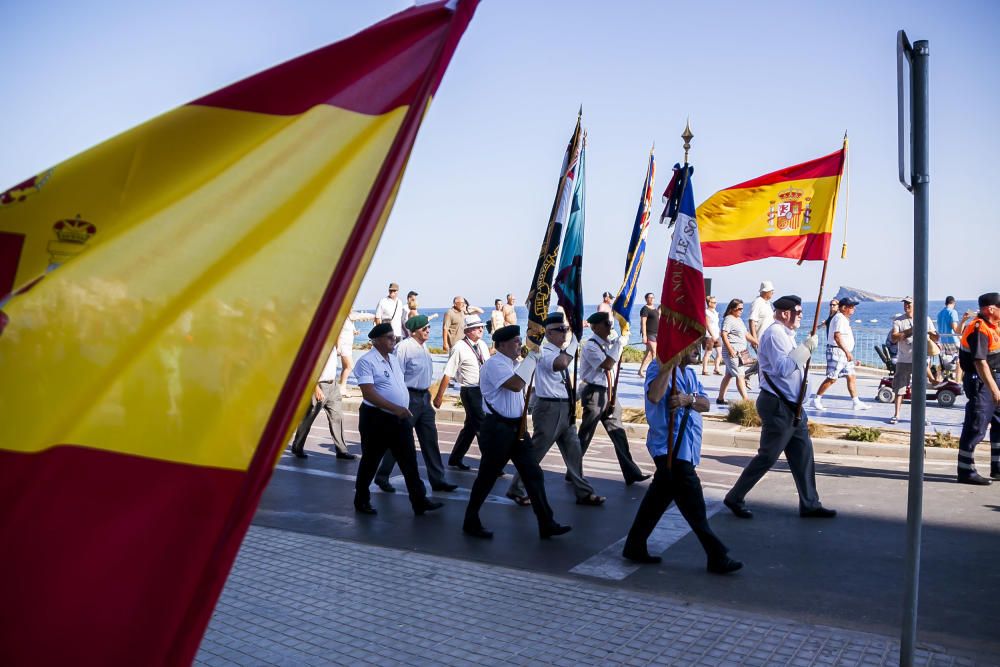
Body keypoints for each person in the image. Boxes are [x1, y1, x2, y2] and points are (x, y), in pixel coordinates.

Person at [622, 350, 743, 575]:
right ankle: (716, 555)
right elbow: (655, 397)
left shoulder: (690, 374)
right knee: (694, 503)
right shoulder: (658, 368)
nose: (698, 348)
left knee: (658, 499)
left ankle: (634, 545)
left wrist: (689, 399)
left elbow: (706, 404)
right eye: (692, 344)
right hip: (669, 449)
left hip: (686, 448)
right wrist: (669, 365)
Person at [723, 295, 836, 519]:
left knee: (803, 456)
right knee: (768, 456)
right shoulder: (775, 334)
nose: (801, 316)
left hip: (792, 406)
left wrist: (803, 347)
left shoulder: (785, 334)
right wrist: (806, 348)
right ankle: (735, 497)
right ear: (785, 313)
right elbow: (784, 368)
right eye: (799, 312)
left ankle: (810, 503)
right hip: (778, 405)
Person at [461, 325, 571, 539]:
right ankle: (470, 520)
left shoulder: (514, 363)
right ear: (501, 345)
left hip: (517, 428)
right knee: (487, 477)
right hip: (497, 428)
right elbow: (516, 385)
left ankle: (546, 522)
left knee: (533, 475)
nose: (519, 344)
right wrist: (532, 358)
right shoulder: (494, 365)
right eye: (515, 341)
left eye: (520, 341)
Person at [506, 313, 605, 506]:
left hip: (564, 406)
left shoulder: (559, 351)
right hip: (549, 408)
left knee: (574, 450)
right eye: (560, 330)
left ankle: (583, 492)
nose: (564, 333)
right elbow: (560, 365)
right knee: (536, 451)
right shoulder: (543, 351)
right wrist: (575, 342)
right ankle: (516, 488)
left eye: (566, 329)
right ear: (548, 333)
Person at [352, 323, 443, 516]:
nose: (394, 341)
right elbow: (368, 393)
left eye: (394, 337)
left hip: (398, 418)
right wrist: (396, 408)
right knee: (370, 460)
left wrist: (402, 407)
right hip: (376, 419)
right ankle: (361, 500)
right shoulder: (366, 361)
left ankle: (419, 500)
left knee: (409, 460)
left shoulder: (393, 359)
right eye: (389, 338)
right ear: (376, 341)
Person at [374, 315, 457, 494]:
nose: (428, 331)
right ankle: (382, 475)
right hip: (409, 397)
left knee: (430, 440)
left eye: (428, 328)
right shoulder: (404, 348)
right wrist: (399, 402)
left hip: (424, 397)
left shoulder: (423, 346)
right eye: (425, 329)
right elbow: (397, 375)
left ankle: (438, 480)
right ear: (414, 331)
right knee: (400, 440)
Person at [577, 312, 651, 485]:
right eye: (606, 324)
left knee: (619, 434)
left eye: (610, 323)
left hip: (609, 392)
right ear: (595, 327)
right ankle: (573, 470)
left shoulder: (607, 344)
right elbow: (606, 365)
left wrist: (619, 341)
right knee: (585, 435)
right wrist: (619, 344)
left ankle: (631, 472)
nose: (610, 326)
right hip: (595, 392)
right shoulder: (590, 346)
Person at [435, 315, 491, 471]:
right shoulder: (459, 347)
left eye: (482, 326)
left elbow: (487, 365)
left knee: (470, 428)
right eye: (477, 327)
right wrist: (439, 396)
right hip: (470, 391)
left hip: (483, 389)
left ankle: (455, 458)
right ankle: (491, 463)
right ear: (468, 331)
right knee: (482, 427)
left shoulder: (482, 345)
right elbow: (448, 372)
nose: (481, 329)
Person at [955, 292, 1000, 485]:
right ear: (991, 309)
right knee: (977, 424)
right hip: (981, 381)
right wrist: (994, 390)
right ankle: (966, 471)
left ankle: (997, 468)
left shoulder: (993, 326)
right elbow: (980, 362)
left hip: (994, 378)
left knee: (998, 423)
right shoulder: (978, 328)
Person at [289, 346, 357, 460]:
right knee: (308, 418)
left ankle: (342, 450)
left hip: (333, 385)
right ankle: (297, 446)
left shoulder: (334, 344)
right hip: (319, 385)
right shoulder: (318, 344)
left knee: (337, 417)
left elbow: (342, 353)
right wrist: (315, 387)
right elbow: (307, 368)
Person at [811, 298, 869, 411]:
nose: (854, 309)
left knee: (851, 376)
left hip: (843, 351)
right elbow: (837, 336)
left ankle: (856, 402)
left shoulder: (843, 318)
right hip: (837, 351)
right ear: (843, 308)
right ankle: (816, 399)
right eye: (851, 306)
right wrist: (847, 351)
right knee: (832, 378)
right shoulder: (840, 318)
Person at [889, 296, 939, 425]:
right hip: (903, 359)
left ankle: (922, 417)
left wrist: (929, 332)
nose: (906, 306)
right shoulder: (899, 321)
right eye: (905, 304)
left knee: (920, 390)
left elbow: (936, 337)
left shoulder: (925, 319)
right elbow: (894, 338)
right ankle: (896, 415)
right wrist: (911, 330)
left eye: (909, 303)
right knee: (899, 388)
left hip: (920, 360)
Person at [717, 299, 756, 404]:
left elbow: (746, 334)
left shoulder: (738, 320)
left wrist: (756, 342)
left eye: (742, 308)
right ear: (732, 309)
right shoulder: (728, 319)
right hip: (733, 353)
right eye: (739, 309)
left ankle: (720, 399)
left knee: (729, 375)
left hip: (741, 352)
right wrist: (730, 350)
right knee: (740, 375)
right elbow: (724, 335)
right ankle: (746, 401)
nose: (741, 311)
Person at [337, 310, 374, 397]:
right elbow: (362, 316)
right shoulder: (348, 316)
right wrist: (375, 315)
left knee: (345, 367)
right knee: (349, 366)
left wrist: (355, 332)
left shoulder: (348, 319)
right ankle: (342, 388)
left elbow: (349, 330)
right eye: (351, 308)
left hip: (347, 345)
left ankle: (341, 387)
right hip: (344, 345)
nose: (352, 310)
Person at [937, 296, 964, 382]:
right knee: (959, 362)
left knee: (942, 362)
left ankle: (939, 379)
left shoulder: (940, 313)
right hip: (953, 341)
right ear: (953, 303)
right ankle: (958, 382)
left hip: (943, 341)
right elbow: (955, 329)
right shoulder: (953, 312)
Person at [747, 281, 775, 351]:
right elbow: (752, 320)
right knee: (764, 361)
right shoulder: (757, 302)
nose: (773, 293)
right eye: (771, 291)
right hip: (761, 340)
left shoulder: (768, 303)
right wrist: (754, 339)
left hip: (769, 339)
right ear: (765, 291)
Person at [638, 293, 659, 377]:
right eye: (649, 298)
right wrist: (644, 335)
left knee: (648, 354)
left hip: (657, 333)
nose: (651, 299)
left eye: (652, 297)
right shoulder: (645, 309)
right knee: (654, 352)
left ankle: (640, 370)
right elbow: (643, 323)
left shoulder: (654, 308)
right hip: (649, 333)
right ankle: (655, 372)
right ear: (646, 299)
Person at [702, 295, 722, 376]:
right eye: (714, 302)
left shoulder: (715, 312)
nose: (715, 304)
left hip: (717, 335)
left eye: (716, 302)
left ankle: (716, 368)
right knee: (708, 353)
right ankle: (704, 369)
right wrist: (712, 335)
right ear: (709, 303)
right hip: (709, 336)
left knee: (719, 353)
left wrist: (719, 332)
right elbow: (708, 325)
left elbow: (715, 324)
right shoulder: (706, 312)